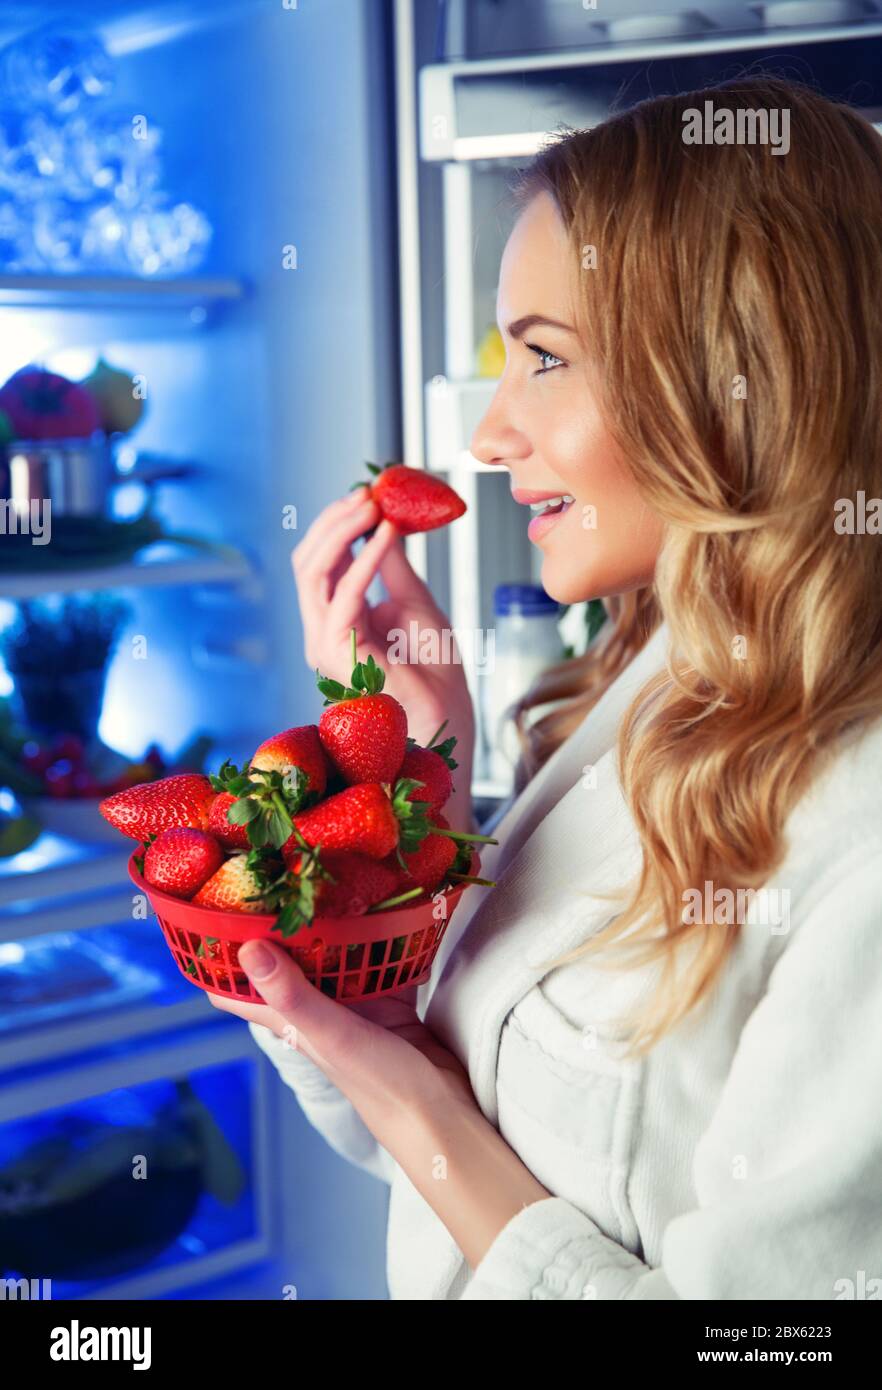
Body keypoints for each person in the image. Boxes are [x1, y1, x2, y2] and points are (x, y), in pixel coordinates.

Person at [209, 76, 882, 1300]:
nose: (488, 434)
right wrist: (420, 762)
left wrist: (416, 1103)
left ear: (736, 372)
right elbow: (462, 1157)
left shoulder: (864, 833)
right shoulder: (659, 680)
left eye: (545, 359)